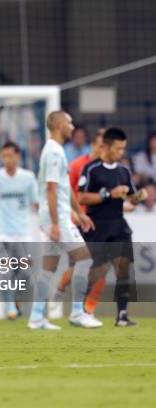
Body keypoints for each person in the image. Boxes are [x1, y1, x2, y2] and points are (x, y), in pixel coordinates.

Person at [29, 111, 98, 330]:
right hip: (55, 218)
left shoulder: (55, 150)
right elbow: (51, 188)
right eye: (69, 122)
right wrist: (57, 223)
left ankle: (36, 317)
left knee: (48, 267)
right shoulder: (54, 152)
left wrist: (78, 213)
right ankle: (78, 313)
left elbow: (64, 185)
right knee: (85, 259)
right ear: (59, 124)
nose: (72, 125)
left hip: (54, 217)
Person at [78, 128, 148, 326]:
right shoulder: (91, 169)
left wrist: (139, 196)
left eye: (123, 149)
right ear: (107, 147)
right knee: (98, 270)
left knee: (124, 268)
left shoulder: (124, 170)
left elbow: (132, 197)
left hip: (118, 225)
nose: (121, 152)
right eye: (118, 148)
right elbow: (82, 197)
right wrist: (109, 194)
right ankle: (82, 310)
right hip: (97, 225)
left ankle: (122, 315)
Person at [0, 141, 38, 320]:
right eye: (3, 156)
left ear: (18, 156)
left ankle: (17, 301)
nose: (7, 159)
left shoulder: (28, 178)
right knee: (5, 271)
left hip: (23, 233)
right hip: (2, 232)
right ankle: (11, 307)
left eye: (10, 155)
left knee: (25, 274)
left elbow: (36, 203)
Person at [55, 129, 104, 300]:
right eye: (99, 146)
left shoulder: (104, 168)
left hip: (97, 222)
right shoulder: (77, 165)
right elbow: (66, 190)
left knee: (96, 264)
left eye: (105, 146)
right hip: (78, 220)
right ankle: (61, 289)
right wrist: (74, 213)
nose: (102, 149)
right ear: (91, 146)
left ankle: (82, 304)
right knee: (78, 262)